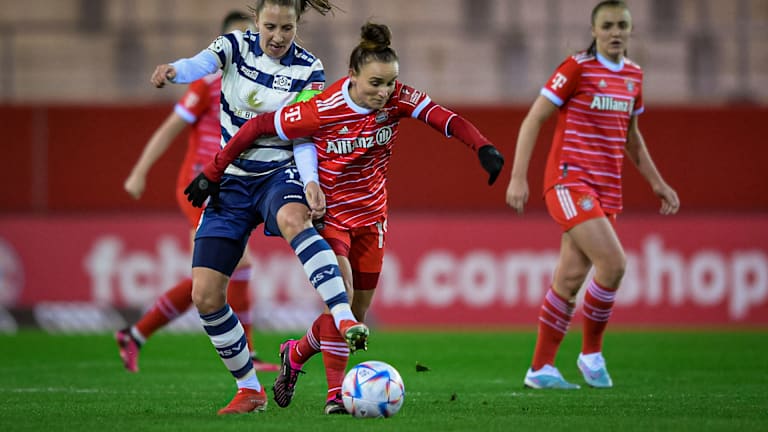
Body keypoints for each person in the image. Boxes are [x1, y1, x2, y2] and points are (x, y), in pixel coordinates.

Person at [184, 21, 505, 413]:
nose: (384, 92)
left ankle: (295, 353)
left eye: (390, 82)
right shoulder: (323, 107)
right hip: (331, 215)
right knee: (343, 301)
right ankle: (336, 396)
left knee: (356, 315)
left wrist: (482, 147)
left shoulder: (398, 100)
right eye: (376, 83)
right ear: (352, 75)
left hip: (372, 218)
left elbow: (445, 118)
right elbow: (258, 126)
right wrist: (214, 170)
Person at [150, 0, 367, 415]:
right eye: (270, 26)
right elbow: (199, 65)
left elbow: (302, 135)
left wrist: (310, 180)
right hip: (230, 180)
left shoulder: (310, 69)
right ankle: (249, 389)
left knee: (294, 218)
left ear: (297, 25)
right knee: (205, 296)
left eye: (287, 28)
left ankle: (343, 315)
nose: (278, 36)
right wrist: (174, 70)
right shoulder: (233, 46)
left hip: (277, 173)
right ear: (256, 21)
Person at [504, 0, 680, 389]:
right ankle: (591, 355)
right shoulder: (576, 69)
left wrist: (657, 182)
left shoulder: (633, 76)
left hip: (606, 189)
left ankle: (541, 369)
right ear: (594, 30)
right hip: (569, 181)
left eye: (622, 25)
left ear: (630, 30)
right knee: (614, 264)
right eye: (608, 25)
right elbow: (534, 119)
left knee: (569, 279)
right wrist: (518, 177)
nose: (615, 32)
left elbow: (632, 138)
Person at [116, 10, 279, 375]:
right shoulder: (207, 84)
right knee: (233, 266)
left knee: (214, 274)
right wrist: (139, 172)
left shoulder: (261, 86)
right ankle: (248, 353)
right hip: (200, 186)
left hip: (230, 184)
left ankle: (135, 334)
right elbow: (170, 128)